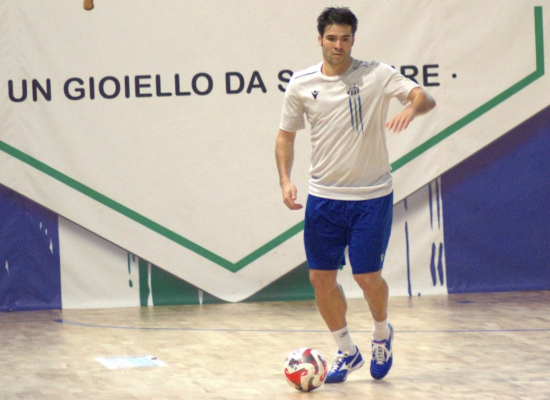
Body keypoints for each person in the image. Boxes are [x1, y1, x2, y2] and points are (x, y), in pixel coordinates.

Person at [275, 7, 435, 383]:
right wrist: (285, 180)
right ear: (320, 39)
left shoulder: (376, 74)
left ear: (352, 40)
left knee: (367, 278)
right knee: (320, 279)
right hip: (324, 198)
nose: (338, 45)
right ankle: (346, 351)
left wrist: (412, 109)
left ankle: (381, 334)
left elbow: (424, 98)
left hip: (371, 197)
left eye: (345, 38)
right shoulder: (301, 83)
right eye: (331, 38)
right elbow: (285, 136)